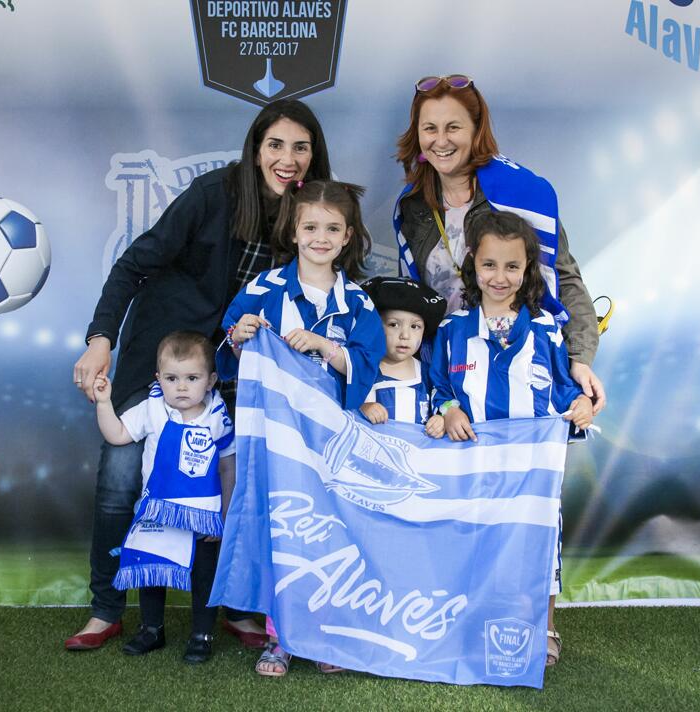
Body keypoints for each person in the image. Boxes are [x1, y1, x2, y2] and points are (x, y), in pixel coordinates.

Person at [65, 99, 332, 651]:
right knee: (122, 477)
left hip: (240, 374)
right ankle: (106, 609)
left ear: (314, 156)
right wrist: (100, 340)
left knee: (239, 488)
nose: (287, 159)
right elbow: (132, 266)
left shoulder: (314, 214)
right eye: (275, 145)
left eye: (300, 147)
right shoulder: (214, 194)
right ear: (255, 149)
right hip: (167, 361)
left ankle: (237, 607)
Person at [220, 179, 385, 676]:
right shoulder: (263, 289)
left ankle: (327, 634)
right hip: (276, 438)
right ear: (293, 231)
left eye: (332, 228)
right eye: (310, 227)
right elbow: (228, 348)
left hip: (331, 441)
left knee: (330, 532)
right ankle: (282, 636)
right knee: (284, 529)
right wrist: (238, 335)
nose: (320, 237)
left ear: (348, 236)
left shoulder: (358, 302)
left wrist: (326, 347)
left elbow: (368, 364)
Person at [424, 210, 593, 667]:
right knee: (470, 544)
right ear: (473, 265)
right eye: (489, 265)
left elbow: (565, 393)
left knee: (538, 546)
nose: (500, 277)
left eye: (512, 266)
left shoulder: (545, 330)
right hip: (470, 468)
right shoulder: (452, 330)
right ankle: (465, 625)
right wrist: (449, 408)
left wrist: (581, 406)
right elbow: (437, 385)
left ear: (527, 269)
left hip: (530, 473)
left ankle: (543, 626)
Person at [392, 74, 606, 415]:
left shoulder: (522, 195)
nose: (441, 141)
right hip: (448, 376)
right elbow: (411, 299)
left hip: (519, 372)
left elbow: (564, 280)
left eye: (453, 127)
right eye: (430, 128)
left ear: (476, 129)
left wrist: (579, 359)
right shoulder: (411, 206)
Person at [93, 332, 234, 664]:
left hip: (201, 516)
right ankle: (151, 629)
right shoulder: (152, 408)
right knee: (151, 570)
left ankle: (202, 635)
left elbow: (229, 466)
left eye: (192, 378)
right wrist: (104, 403)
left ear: (211, 380)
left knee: (204, 575)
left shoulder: (218, 415)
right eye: (172, 378)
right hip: (156, 512)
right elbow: (117, 434)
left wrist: (224, 515)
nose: (181, 387)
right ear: (158, 378)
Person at [358, 277, 446, 425]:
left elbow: (442, 404)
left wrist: (440, 420)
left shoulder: (429, 374)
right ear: (374, 326)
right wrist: (363, 408)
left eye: (415, 327)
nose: (405, 335)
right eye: (393, 324)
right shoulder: (362, 370)